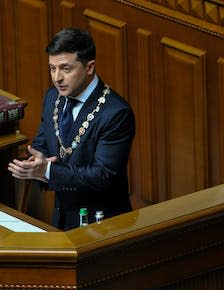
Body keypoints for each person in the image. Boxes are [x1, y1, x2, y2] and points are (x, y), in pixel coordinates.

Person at [8, 28, 136, 230]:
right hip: (62, 217)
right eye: (52, 68)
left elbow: (103, 175)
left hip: (102, 224)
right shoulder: (52, 98)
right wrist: (33, 165)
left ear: (89, 67)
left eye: (65, 69)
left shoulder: (115, 112)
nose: (57, 78)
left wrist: (48, 170)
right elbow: (43, 144)